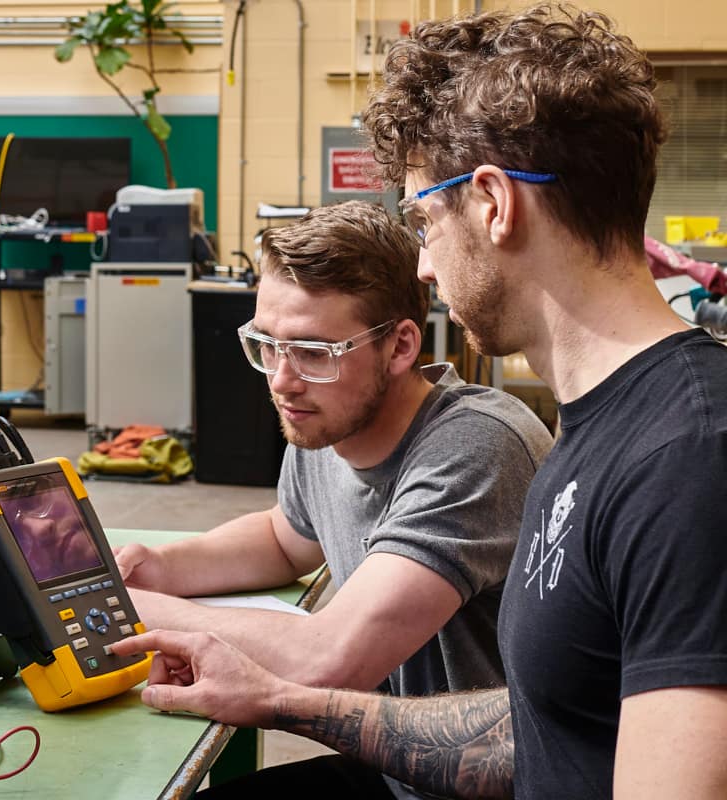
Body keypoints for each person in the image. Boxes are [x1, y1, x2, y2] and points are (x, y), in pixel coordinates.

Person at [111, 4, 727, 798]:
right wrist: (284, 700)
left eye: (424, 219)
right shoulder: (598, 432)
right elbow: (553, 726)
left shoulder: (686, 456)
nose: (426, 267)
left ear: (494, 204)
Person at [113, 199, 552, 797]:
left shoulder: (475, 447)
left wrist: (120, 606)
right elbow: (284, 537)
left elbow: (329, 659)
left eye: (314, 352)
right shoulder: (329, 419)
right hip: (398, 770)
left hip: (485, 784)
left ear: (400, 347)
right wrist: (163, 567)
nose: (282, 380)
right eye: (269, 344)